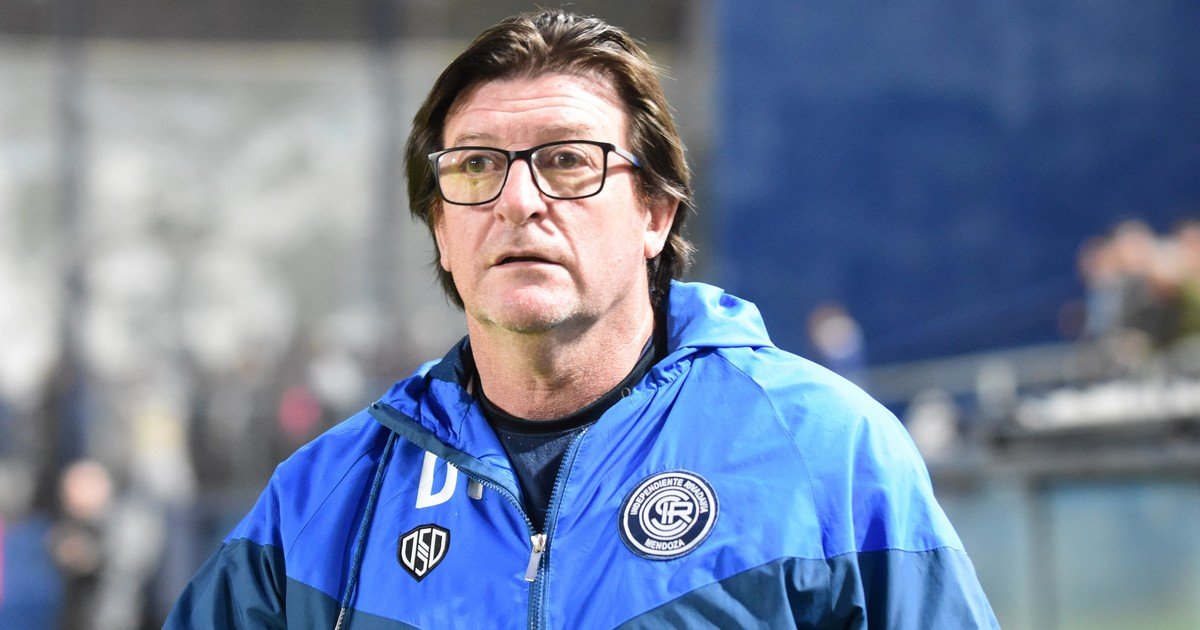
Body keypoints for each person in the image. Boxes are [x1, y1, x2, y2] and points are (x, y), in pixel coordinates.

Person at [167, 10, 997, 628]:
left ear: (656, 214)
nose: (518, 201)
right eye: (476, 166)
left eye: (568, 160)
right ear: (442, 232)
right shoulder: (323, 500)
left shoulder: (828, 453)